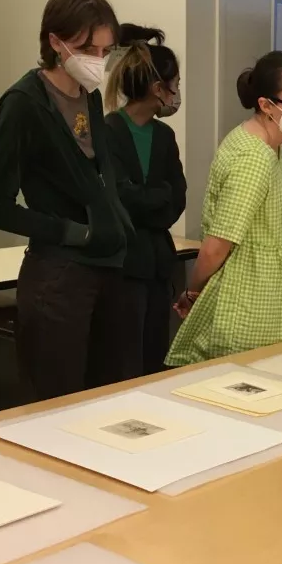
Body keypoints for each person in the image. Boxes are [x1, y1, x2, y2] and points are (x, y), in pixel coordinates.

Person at [0, 0, 138, 400]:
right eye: (88, 49)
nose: (99, 62)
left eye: (106, 52)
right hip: (58, 273)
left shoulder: (89, 95)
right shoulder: (23, 103)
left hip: (106, 268)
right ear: (55, 42)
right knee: (55, 404)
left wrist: (115, 225)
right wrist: (73, 232)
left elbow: (97, 178)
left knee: (108, 398)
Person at [165, 52, 282, 365]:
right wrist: (193, 294)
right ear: (266, 105)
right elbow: (216, 246)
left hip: (267, 302)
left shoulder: (273, 144)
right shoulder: (253, 159)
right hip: (247, 310)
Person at [103, 24, 187, 376]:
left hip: (158, 262)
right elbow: (119, 197)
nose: (177, 92)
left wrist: (151, 200)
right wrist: (157, 197)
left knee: (155, 353)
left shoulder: (164, 136)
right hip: (123, 264)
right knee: (123, 357)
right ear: (158, 88)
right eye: (175, 84)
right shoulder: (109, 130)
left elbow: (177, 197)